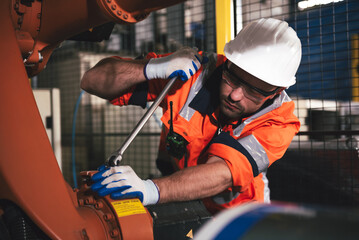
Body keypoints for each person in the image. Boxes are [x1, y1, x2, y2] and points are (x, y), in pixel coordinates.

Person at [81, 18, 302, 214]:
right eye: (233, 77)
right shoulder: (192, 73)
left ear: (277, 90)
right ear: (228, 61)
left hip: (239, 215)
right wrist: (150, 68)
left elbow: (221, 173)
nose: (235, 95)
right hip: (183, 200)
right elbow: (91, 81)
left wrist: (149, 189)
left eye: (254, 91)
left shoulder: (280, 121)